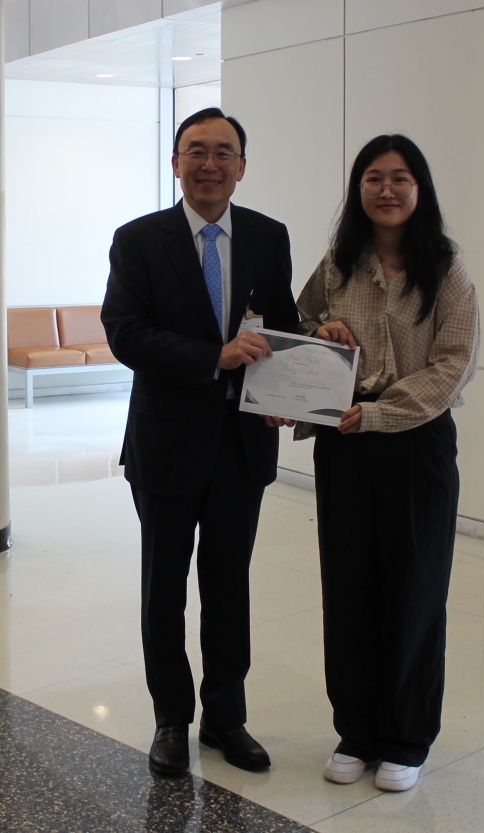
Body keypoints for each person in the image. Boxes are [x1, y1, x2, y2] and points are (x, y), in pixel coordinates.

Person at [101, 107, 298, 778]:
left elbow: (281, 327)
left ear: (242, 166)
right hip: (165, 446)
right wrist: (215, 355)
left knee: (228, 586)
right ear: (176, 162)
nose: (209, 163)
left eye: (223, 152)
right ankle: (170, 719)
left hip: (243, 448)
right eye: (196, 150)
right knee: (163, 590)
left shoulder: (269, 237)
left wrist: (293, 380)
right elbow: (126, 333)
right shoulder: (138, 240)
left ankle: (224, 717)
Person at [296, 134, 480, 792]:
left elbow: (451, 366)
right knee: (347, 587)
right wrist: (324, 331)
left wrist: (378, 414)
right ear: (358, 189)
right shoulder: (339, 263)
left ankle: (406, 736)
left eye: (400, 178)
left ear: (419, 189)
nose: (386, 190)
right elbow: (303, 318)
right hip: (344, 443)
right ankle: (357, 730)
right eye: (373, 178)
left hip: (414, 443)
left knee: (414, 588)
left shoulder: (446, 270)